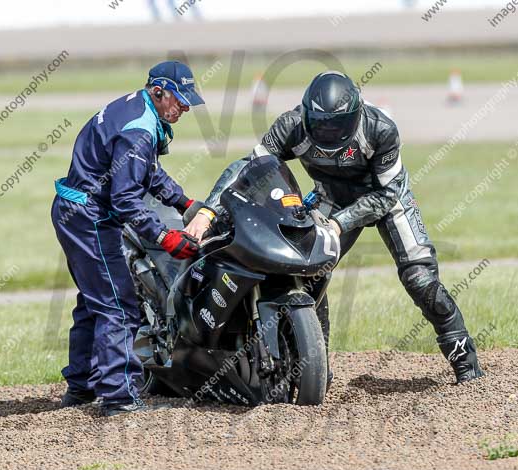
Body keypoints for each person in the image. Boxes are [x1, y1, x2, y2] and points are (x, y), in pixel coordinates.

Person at [185, 71, 484, 384]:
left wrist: (341, 223)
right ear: (306, 113)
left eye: (336, 123)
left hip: (386, 198)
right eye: (319, 122)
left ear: (354, 116)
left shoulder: (380, 129)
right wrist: (208, 211)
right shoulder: (291, 126)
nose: (327, 130)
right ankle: (315, 369)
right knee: (307, 276)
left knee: (421, 280)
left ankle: (466, 364)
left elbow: (387, 193)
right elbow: (250, 168)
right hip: (330, 199)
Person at [51, 61, 207, 417]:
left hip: (75, 210)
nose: (183, 108)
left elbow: (147, 172)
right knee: (118, 305)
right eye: (179, 100)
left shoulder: (138, 108)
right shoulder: (139, 130)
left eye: (187, 102)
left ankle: (81, 386)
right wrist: (165, 237)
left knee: (95, 301)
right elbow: (125, 200)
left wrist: (182, 202)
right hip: (88, 216)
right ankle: (118, 397)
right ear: (159, 91)